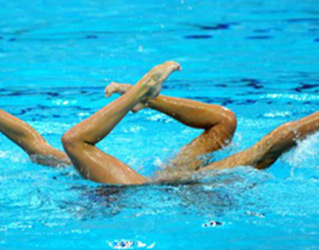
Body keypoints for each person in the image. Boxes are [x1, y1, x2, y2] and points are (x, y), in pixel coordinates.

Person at [1, 61, 319, 185]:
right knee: (226, 121)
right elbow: (31, 143)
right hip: (161, 178)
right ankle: (145, 97)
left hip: (148, 188)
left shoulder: (82, 169)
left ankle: (142, 91)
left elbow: (59, 142)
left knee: (72, 142)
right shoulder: (73, 167)